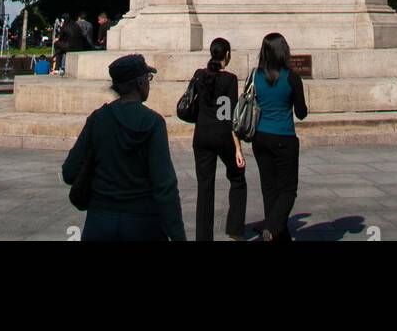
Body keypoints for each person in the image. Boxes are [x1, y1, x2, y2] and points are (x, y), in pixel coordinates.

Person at [62, 53, 186, 242]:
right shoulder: (153, 122)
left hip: (100, 222)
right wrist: (178, 235)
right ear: (139, 83)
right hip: (143, 224)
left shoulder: (98, 118)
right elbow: (165, 186)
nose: (149, 83)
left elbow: (69, 171)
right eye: (148, 78)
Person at [189, 37, 246, 242]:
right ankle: (235, 230)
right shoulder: (230, 79)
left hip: (202, 135)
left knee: (204, 186)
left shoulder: (199, 75)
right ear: (227, 55)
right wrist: (238, 148)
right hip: (222, 135)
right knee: (238, 177)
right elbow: (231, 116)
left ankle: (203, 237)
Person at [252, 32, 307, 242]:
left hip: (260, 137)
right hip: (284, 137)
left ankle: (277, 235)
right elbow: (301, 112)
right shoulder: (291, 77)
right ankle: (272, 228)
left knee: (269, 190)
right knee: (288, 191)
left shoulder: (255, 75)